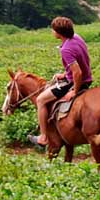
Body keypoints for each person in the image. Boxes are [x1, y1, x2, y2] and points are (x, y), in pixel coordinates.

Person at [29, 16, 93, 148]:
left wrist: (74, 90)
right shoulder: (77, 37)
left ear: (59, 33)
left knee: (40, 100)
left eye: (53, 29)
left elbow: (77, 73)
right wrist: (65, 74)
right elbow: (81, 62)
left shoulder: (66, 49)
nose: (52, 32)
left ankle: (43, 137)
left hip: (76, 82)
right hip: (87, 78)